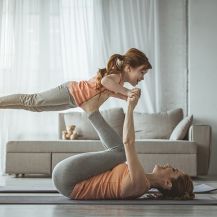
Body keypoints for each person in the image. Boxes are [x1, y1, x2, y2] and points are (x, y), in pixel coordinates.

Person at [52, 89, 195, 200]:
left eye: (174, 170)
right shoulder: (141, 180)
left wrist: (130, 107)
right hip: (68, 176)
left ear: (167, 183)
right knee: (118, 153)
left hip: (67, 179)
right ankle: (92, 110)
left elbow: (128, 143)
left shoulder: (140, 185)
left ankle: (91, 110)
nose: (170, 165)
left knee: (121, 153)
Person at [0, 48, 152, 113]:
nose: (143, 77)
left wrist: (126, 97)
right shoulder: (115, 77)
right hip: (71, 91)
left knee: (36, 107)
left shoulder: (118, 82)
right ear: (129, 67)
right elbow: (105, 82)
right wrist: (127, 92)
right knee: (33, 100)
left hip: (74, 101)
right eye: (142, 72)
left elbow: (109, 92)